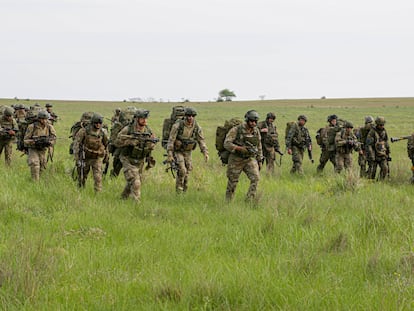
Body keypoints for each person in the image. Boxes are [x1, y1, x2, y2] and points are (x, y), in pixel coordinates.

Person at [114, 109, 158, 202]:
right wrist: (130, 142)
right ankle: (136, 203)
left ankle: (123, 199)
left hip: (140, 160)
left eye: (145, 118)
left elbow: (152, 144)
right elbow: (117, 142)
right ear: (137, 119)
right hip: (127, 158)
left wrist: (151, 144)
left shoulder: (148, 130)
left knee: (134, 181)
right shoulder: (128, 129)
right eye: (142, 118)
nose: (144, 120)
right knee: (136, 182)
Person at [166, 107, 209, 193]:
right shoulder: (177, 126)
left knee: (188, 171)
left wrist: (205, 152)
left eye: (192, 116)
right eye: (189, 116)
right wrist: (170, 154)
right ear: (185, 116)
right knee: (182, 170)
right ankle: (179, 191)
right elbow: (171, 140)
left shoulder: (196, 126)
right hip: (178, 151)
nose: (190, 118)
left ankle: (184, 191)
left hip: (188, 151)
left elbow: (201, 140)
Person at [224, 110, 262, 202]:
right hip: (236, 159)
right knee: (232, 182)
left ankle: (249, 200)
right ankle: (228, 202)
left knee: (256, 178)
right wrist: (239, 148)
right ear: (247, 120)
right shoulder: (236, 130)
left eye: (255, 121)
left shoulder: (256, 131)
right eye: (251, 121)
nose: (253, 123)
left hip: (249, 159)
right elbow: (227, 144)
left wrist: (259, 159)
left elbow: (259, 145)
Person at [73, 113, 109, 192]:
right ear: (93, 123)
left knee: (98, 177)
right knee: (82, 176)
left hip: (96, 158)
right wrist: (77, 158)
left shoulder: (102, 132)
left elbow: (106, 144)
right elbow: (77, 144)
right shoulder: (84, 131)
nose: (98, 125)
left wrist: (106, 156)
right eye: (96, 123)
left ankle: (98, 193)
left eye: (100, 123)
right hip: (85, 157)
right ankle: (80, 191)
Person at [23, 111, 57, 181]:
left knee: (42, 166)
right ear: (39, 119)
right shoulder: (32, 127)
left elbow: (54, 138)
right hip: (33, 149)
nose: (44, 121)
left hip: (43, 149)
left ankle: (40, 182)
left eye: (46, 119)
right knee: (35, 164)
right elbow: (25, 140)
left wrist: (49, 142)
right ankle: (35, 182)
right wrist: (34, 142)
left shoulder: (50, 127)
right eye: (42, 119)